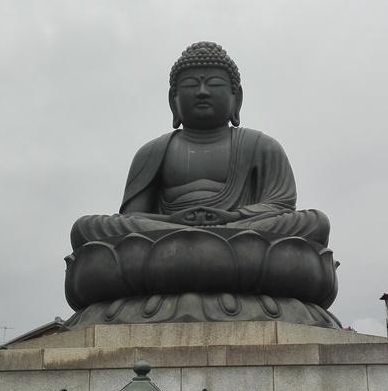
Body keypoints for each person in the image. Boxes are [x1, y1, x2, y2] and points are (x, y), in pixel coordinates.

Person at [70, 41, 330, 250]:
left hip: (239, 232)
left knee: (314, 222)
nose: (202, 91)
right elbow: (131, 219)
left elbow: (280, 206)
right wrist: (172, 221)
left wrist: (233, 218)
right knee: (87, 227)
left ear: (236, 98)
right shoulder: (153, 152)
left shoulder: (261, 146)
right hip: (169, 235)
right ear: (173, 100)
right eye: (190, 85)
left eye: (214, 84)